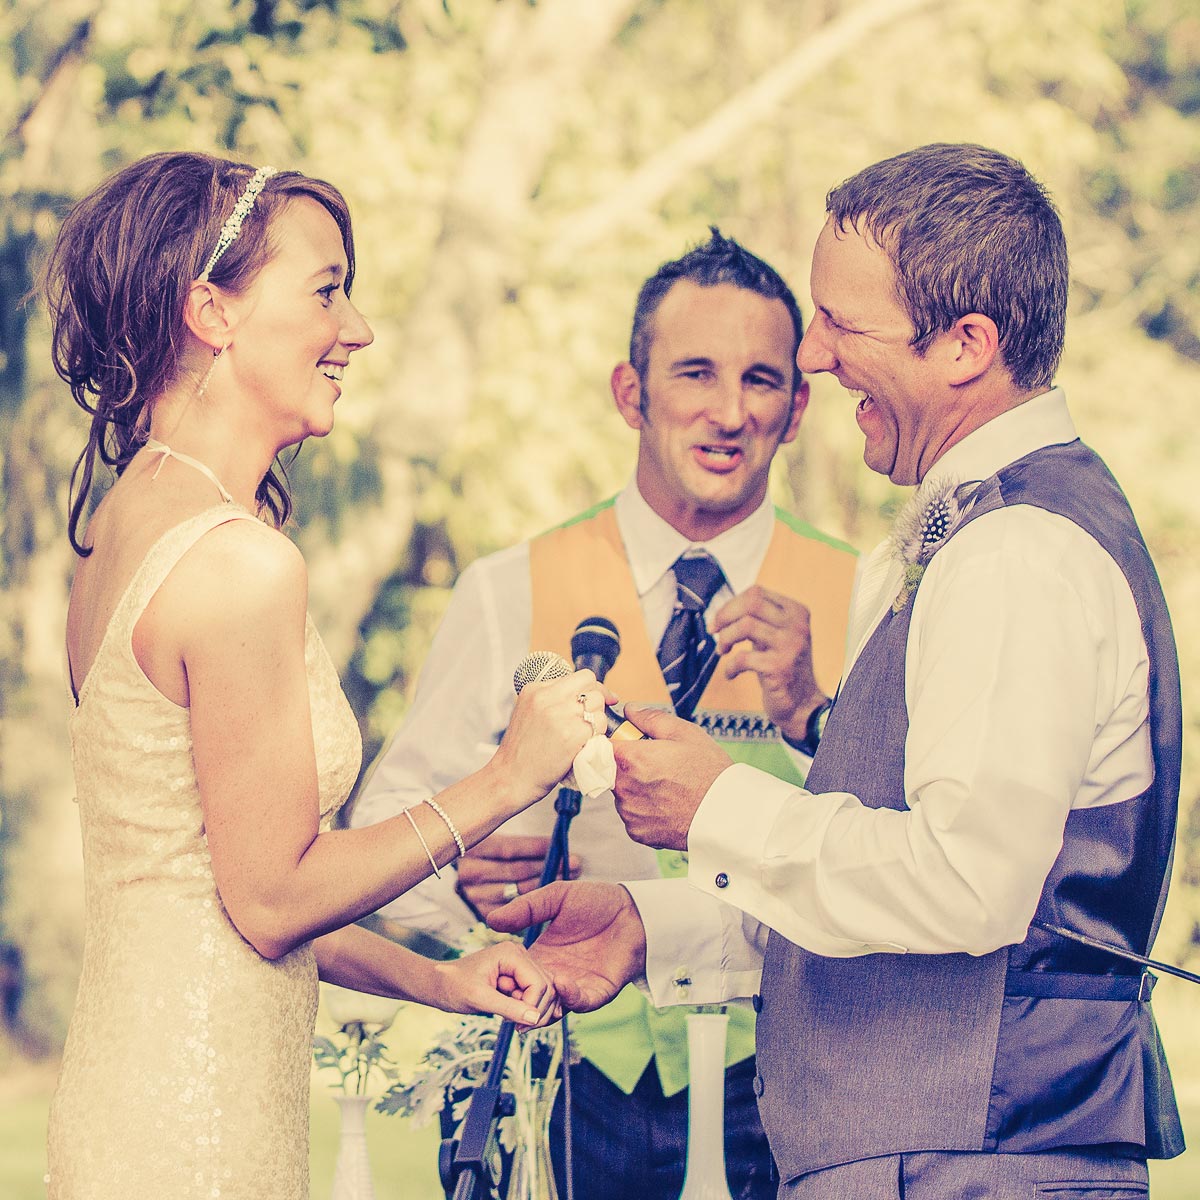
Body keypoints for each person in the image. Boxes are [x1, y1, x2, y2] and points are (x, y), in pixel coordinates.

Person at [492, 143, 1185, 1199]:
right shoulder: (992, 535)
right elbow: (903, 891)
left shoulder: (1017, 552)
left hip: (973, 1166)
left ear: (965, 345)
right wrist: (654, 925)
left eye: (840, 325)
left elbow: (965, 886)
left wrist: (718, 807)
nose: (810, 357)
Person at [41, 151, 608, 1200]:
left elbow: (224, 886)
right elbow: (270, 898)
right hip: (193, 1130)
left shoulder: (128, 524)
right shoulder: (235, 563)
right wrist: (506, 780)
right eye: (327, 289)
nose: (358, 330)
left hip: (143, 1094)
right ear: (211, 310)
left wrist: (441, 980)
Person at [351, 229, 857, 1200]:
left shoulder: (862, 596)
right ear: (632, 392)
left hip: (787, 1088)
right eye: (694, 373)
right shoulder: (507, 589)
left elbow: (888, 851)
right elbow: (383, 832)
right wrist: (460, 878)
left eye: (761, 380)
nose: (726, 412)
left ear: (797, 409)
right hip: (556, 1073)